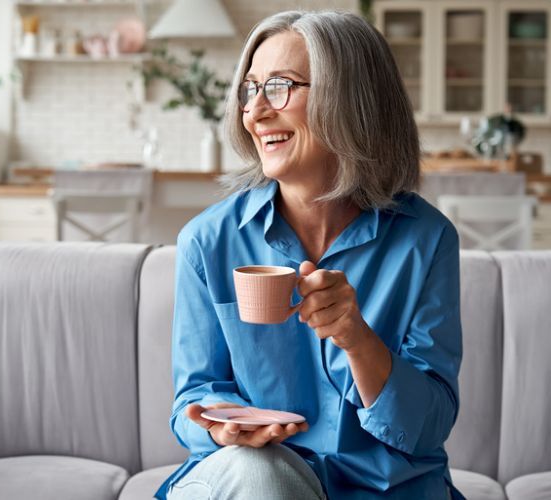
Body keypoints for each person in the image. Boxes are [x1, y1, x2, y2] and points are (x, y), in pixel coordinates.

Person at [156, 10, 463, 500]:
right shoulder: (208, 241)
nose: (255, 112)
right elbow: (192, 399)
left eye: (279, 86)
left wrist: (357, 339)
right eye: (249, 90)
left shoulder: (425, 241)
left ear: (351, 99)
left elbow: (427, 427)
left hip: (386, 490)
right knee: (261, 476)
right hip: (253, 480)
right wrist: (221, 428)